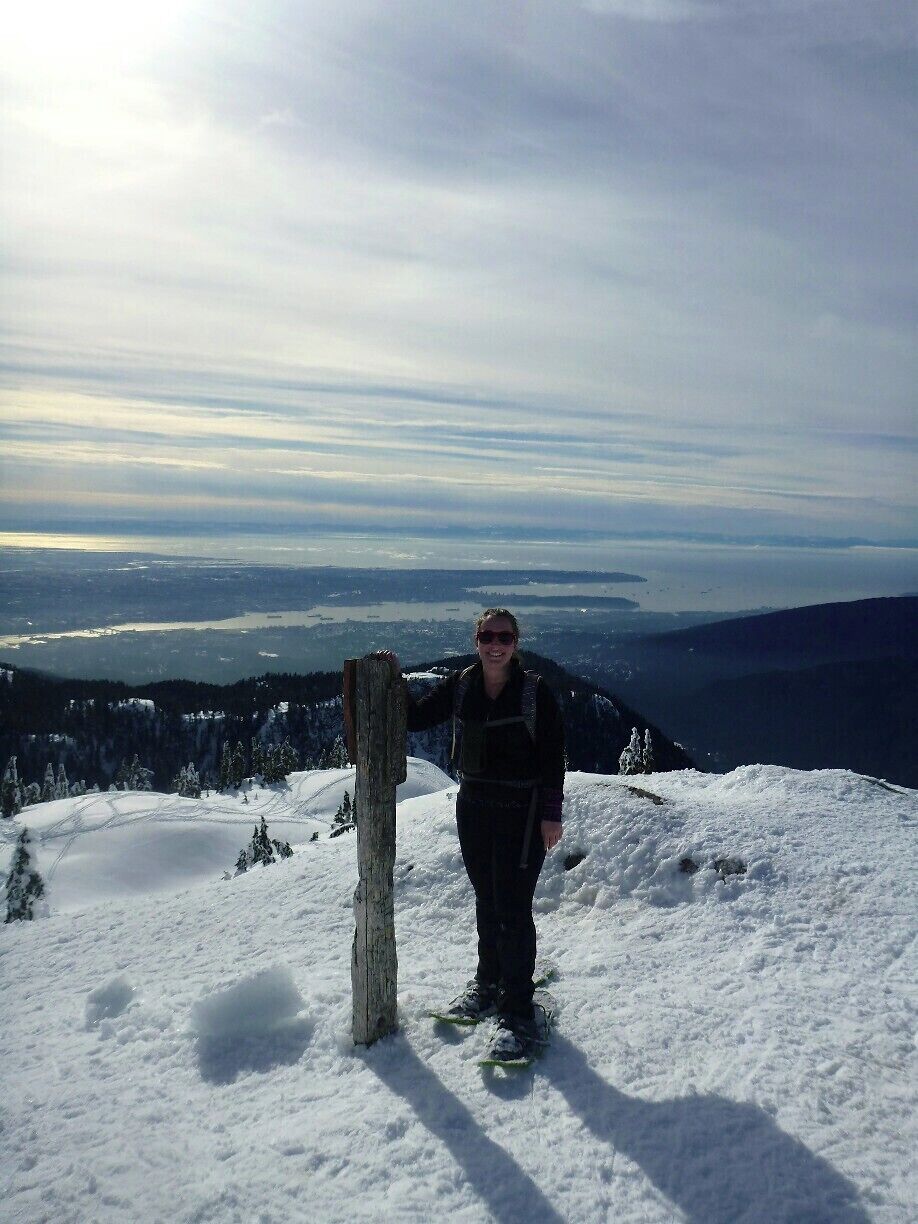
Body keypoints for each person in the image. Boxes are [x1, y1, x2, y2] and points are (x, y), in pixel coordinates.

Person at [373, 608, 564, 1060]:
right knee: (486, 899)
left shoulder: (535, 693)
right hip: (475, 805)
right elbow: (416, 718)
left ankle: (518, 1009)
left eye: (504, 636)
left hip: (522, 809)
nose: (495, 644)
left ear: (516, 642)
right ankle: (488, 982)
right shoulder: (461, 685)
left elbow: (554, 757)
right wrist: (393, 677)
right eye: (487, 636)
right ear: (476, 639)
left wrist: (551, 815)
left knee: (513, 907)